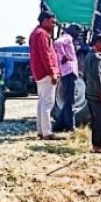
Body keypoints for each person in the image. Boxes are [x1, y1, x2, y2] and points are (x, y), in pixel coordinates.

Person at [29, 11, 63, 140]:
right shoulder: (42, 34)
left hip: (39, 73)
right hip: (45, 73)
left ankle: (41, 131)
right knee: (48, 103)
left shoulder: (35, 33)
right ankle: (47, 133)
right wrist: (52, 72)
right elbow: (46, 55)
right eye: (52, 22)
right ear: (45, 21)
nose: (54, 25)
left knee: (42, 102)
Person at [52, 24, 82, 132]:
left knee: (69, 100)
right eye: (78, 32)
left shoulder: (70, 39)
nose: (79, 35)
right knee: (70, 100)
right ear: (72, 30)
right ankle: (70, 126)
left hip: (70, 71)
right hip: (68, 71)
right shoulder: (67, 37)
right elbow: (57, 43)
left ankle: (58, 125)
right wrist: (64, 56)